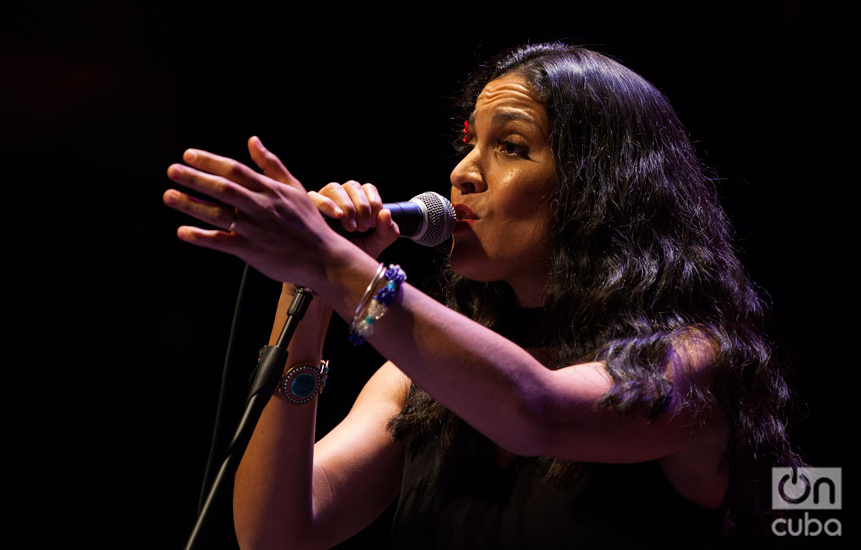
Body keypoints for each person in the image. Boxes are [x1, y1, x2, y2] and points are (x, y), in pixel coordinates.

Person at [163, 42, 798, 548]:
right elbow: (277, 536)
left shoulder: (690, 361)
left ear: (599, 190)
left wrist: (334, 264)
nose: (463, 170)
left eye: (511, 147)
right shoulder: (411, 384)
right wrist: (306, 291)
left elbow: (537, 411)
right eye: (469, 141)